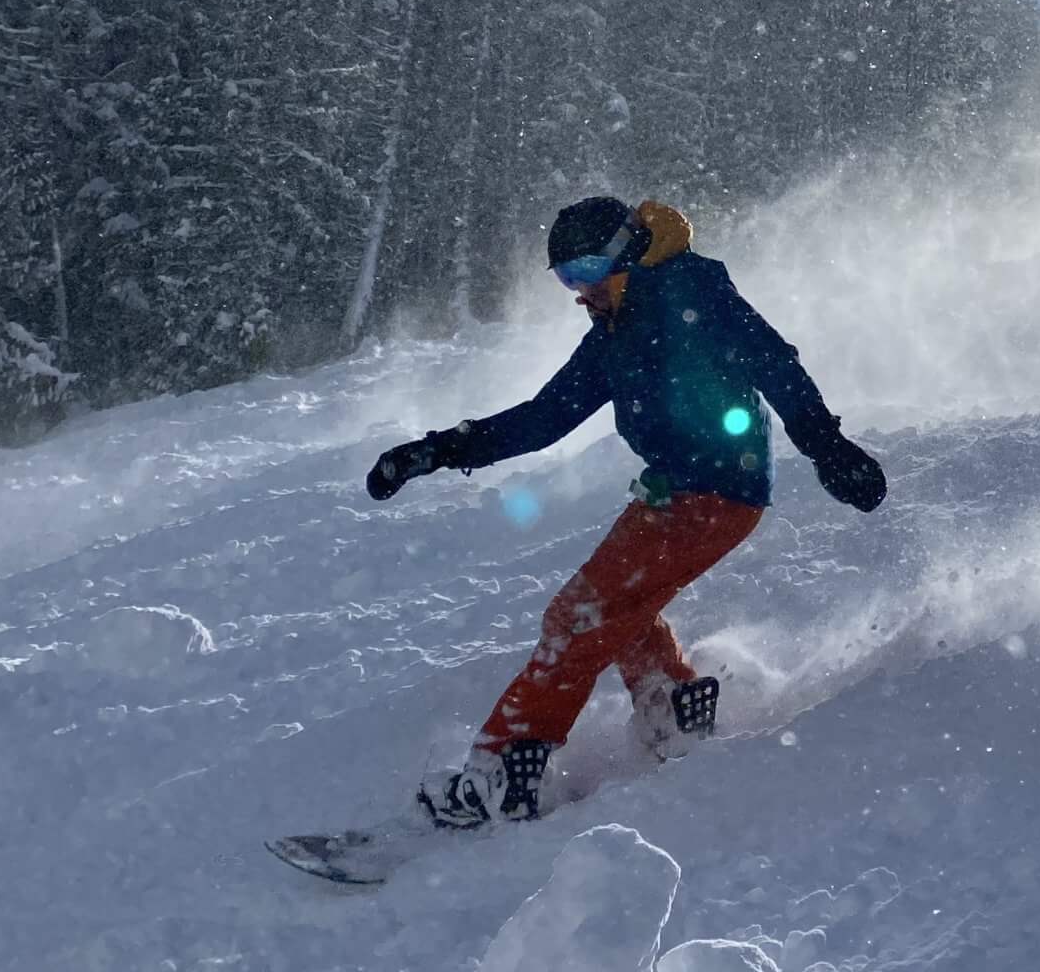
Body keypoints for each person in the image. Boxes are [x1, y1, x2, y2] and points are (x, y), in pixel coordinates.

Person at [363, 195, 886, 830]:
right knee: (617, 608)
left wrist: (826, 445)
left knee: (579, 616)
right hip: (672, 495)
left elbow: (775, 363)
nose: (581, 292)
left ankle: (499, 776)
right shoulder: (612, 335)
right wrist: (438, 450)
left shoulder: (694, 293)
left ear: (627, 255)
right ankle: (672, 706)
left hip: (717, 492)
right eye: (567, 280)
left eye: (587, 272)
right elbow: (543, 418)